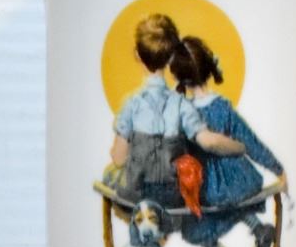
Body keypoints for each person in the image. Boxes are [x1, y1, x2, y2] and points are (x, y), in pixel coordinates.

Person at [168, 35, 283, 247]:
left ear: (180, 78)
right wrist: (276, 167)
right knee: (233, 202)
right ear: (208, 67)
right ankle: (258, 228)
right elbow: (249, 140)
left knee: (195, 215)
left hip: (206, 182)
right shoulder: (223, 107)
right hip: (237, 177)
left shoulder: (184, 112)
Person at [105, 15, 245, 210]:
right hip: (173, 198)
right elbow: (209, 142)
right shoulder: (181, 104)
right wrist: (240, 147)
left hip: (137, 198)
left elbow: (119, 159)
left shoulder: (132, 104)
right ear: (171, 57)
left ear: (138, 55)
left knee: (110, 174)